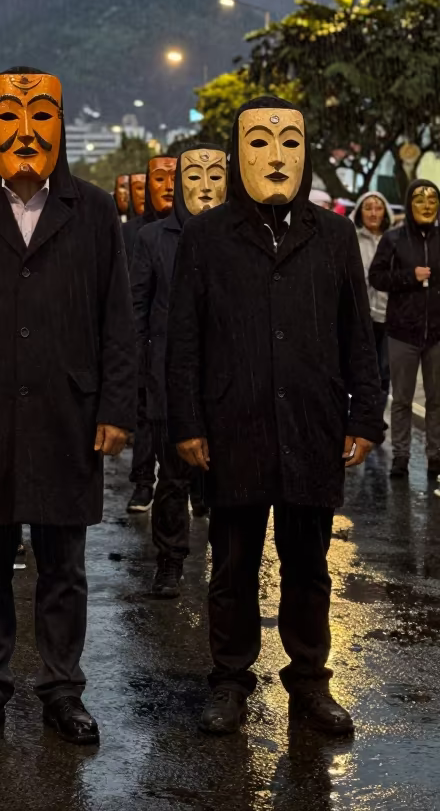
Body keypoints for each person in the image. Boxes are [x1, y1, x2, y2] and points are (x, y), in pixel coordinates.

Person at [0, 67, 135, 747]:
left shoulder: (95, 211)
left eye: (42, 114)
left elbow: (118, 321)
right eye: (8, 115)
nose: (26, 130)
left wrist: (116, 408)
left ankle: (63, 690)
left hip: (68, 415)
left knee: (64, 566)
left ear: (62, 126)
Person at [167, 96, 383, 736]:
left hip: (312, 431)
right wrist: (186, 423)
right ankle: (230, 681)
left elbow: (357, 340)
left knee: (309, 567)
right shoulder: (207, 238)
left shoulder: (336, 235)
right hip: (232, 431)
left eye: (290, 141)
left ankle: (310, 684)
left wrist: (365, 418)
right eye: (260, 142)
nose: (277, 155)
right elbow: (183, 340)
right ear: (237, 157)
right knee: (232, 566)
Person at [130, 146, 227, 592]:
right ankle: (169, 560)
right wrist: (136, 378)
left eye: (215, 176)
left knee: (227, 480)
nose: (204, 186)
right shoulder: (152, 239)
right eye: (194, 176)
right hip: (170, 377)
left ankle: (229, 567)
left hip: (229, 379)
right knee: (171, 479)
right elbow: (137, 312)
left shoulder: (243, 236)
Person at [369, 179, 440, 479]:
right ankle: (401, 456)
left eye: (432, 200)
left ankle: (435, 456)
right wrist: (409, 276)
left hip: (437, 333)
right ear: (409, 204)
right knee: (401, 399)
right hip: (401, 332)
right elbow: (377, 277)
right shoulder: (394, 239)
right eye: (419, 200)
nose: (426, 205)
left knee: (437, 399)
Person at [122, 154, 178, 508]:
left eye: (175, 177)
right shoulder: (130, 233)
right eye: (158, 179)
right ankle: (143, 481)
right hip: (146, 342)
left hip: (181, 343)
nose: (169, 186)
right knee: (145, 418)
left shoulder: (198, 231)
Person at [351, 192, 394, 405]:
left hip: (389, 317)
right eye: (368, 208)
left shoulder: (395, 240)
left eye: (378, 208)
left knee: (385, 370)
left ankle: (377, 418)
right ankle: (358, 416)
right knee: (359, 369)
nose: (373, 213)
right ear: (359, 212)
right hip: (360, 317)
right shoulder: (351, 239)